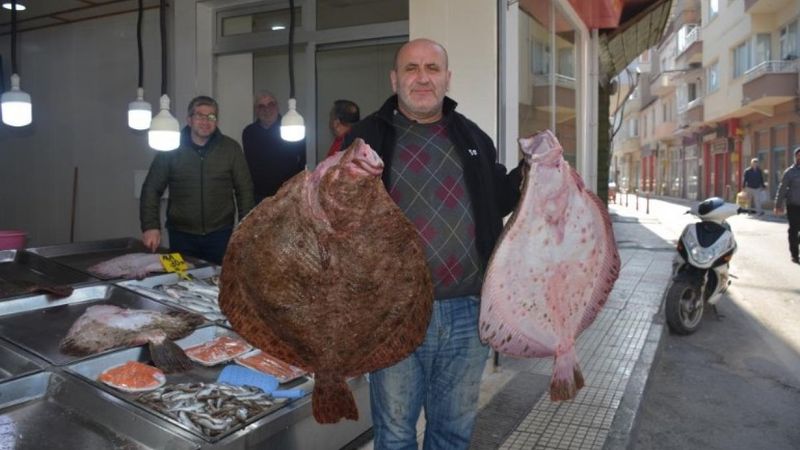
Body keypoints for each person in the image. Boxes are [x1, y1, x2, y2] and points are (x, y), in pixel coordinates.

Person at [344, 38, 525, 450]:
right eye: (411, 69)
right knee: (394, 434)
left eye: (431, 68)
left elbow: (497, 198)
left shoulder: (471, 135)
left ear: (447, 77)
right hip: (393, 312)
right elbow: (333, 210)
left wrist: (535, 169)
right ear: (395, 78)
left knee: (453, 433)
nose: (422, 77)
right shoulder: (366, 135)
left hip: (466, 311)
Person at [140, 96, 255, 265]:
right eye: (200, 116)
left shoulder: (231, 149)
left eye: (211, 117)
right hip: (180, 235)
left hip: (220, 235)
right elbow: (151, 188)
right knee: (179, 282)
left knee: (219, 283)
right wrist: (151, 226)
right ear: (189, 119)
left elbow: (244, 190)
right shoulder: (171, 148)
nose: (205, 121)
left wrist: (247, 228)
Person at [242, 91, 307, 203]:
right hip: (259, 195)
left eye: (271, 105)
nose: (267, 110)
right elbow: (249, 165)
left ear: (277, 107)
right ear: (256, 110)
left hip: (287, 194)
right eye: (261, 106)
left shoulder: (292, 128)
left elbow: (303, 159)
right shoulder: (249, 133)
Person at [774, 147, 800, 264]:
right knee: (793, 230)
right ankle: (794, 254)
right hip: (793, 205)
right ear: (795, 157)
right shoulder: (790, 172)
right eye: (798, 155)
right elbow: (782, 188)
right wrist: (778, 204)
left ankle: (796, 243)